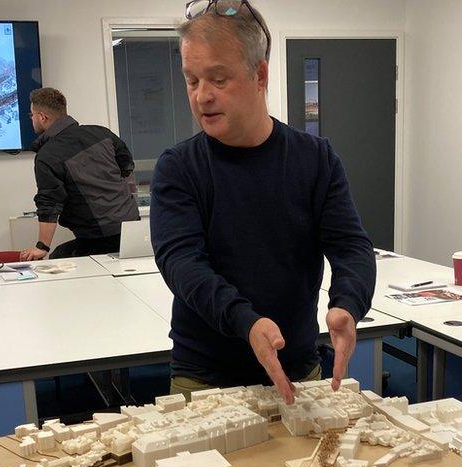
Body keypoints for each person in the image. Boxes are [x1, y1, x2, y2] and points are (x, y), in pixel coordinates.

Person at [150, 0, 376, 404]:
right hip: (204, 379)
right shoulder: (179, 167)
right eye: (192, 80)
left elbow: (351, 247)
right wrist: (246, 321)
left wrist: (348, 303)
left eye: (218, 79)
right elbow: (181, 263)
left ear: (260, 75)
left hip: (297, 370)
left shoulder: (316, 159)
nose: (202, 96)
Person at [20, 88, 140, 261]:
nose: (31, 119)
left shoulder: (48, 155)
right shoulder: (102, 133)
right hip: (131, 227)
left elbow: (49, 203)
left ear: (42, 117)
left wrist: (42, 247)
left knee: (58, 260)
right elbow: (127, 166)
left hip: (98, 237)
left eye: (31, 115)